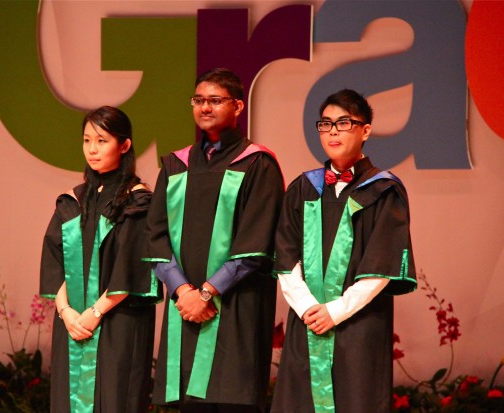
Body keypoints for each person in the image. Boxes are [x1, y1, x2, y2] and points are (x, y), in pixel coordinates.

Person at [146, 68, 284, 413]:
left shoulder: (257, 164)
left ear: (237, 106)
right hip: (186, 310)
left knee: (231, 401)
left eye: (215, 101)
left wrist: (206, 293)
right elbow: (156, 236)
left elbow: (257, 243)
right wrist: (183, 291)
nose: (205, 108)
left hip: (236, 308)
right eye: (199, 100)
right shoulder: (176, 166)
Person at [271, 89, 417, 413]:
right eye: (325, 123)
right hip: (306, 323)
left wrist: (334, 311)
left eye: (344, 122)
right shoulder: (303, 188)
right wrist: (310, 308)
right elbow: (284, 256)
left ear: (365, 131)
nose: (333, 131)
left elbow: (382, 264)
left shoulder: (384, 191)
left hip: (358, 325)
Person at [39, 106, 160, 413]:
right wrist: (66, 313)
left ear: (125, 145)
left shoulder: (138, 201)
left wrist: (94, 313)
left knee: (116, 398)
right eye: (87, 140)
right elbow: (55, 261)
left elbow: (133, 266)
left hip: (118, 322)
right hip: (72, 325)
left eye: (102, 141)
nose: (92, 149)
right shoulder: (73, 201)